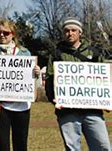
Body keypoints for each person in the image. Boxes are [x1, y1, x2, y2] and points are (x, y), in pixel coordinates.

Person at [45, 18, 111, 151]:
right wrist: (54, 98)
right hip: (67, 111)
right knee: (72, 148)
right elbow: (49, 79)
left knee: (103, 146)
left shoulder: (94, 53)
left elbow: (105, 80)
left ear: (80, 32)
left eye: (73, 30)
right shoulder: (57, 54)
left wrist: (107, 100)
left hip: (92, 110)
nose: (70, 33)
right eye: (67, 31)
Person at [0, 20, 40, 151]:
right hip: (1, 106)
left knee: (21, 144)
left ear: (13, 34)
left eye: (6, 32)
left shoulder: (24, 53)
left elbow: (30, 78)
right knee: (2, 145)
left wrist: (36, 73)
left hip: (22, 107)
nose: (2, 35)